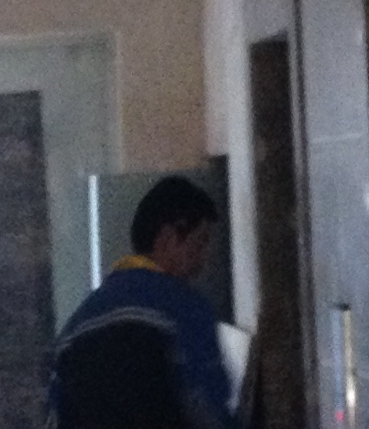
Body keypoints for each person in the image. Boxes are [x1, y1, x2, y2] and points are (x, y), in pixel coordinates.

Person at [47, 174, 238, 429]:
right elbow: (208, 406)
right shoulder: (183, 308)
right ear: (167, 239)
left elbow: (55, 416)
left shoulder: (74, 329)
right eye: (200, 243)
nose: (202, 261)